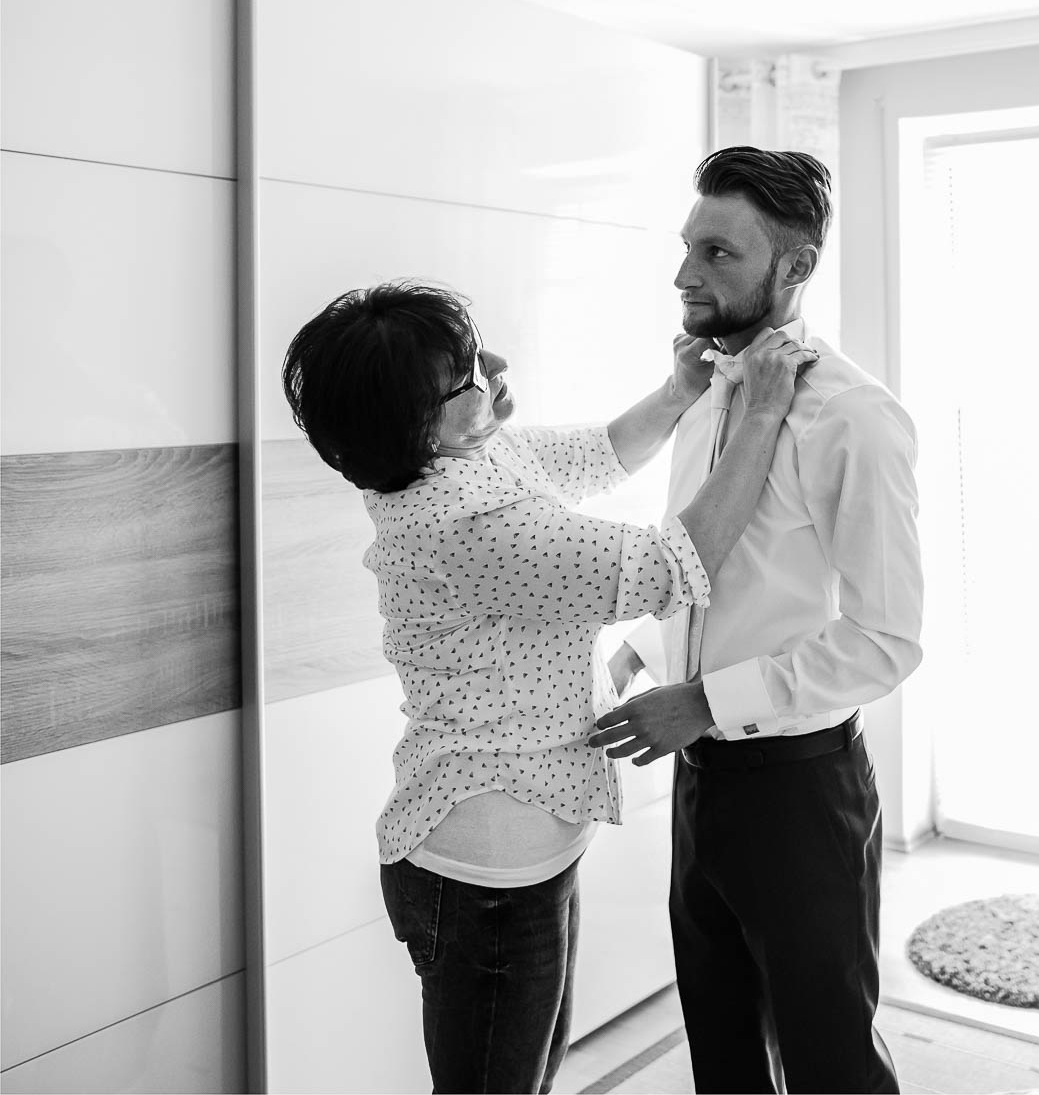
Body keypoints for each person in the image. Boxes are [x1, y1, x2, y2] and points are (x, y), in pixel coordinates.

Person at [280, 279, 816, 1094]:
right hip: (486, 878)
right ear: (415, 425)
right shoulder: (466, 525)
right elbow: (678, 563)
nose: (493, 366)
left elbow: (596, 454)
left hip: (521, 849)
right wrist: (765, 414)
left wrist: (680, 393)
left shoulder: (463, 457)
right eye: (464, 375)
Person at [590, 147, 925, 1094]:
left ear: (796, 267)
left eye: (718, 254)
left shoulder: (854, 418)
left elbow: (886, 637)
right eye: (687, 247)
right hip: (701, 787)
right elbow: (708, 575)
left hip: (800, 797)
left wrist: (705, 699)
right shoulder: (704, 394)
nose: (685, 275)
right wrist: (637, 652)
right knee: (722, 1053)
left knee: (831, 1065)